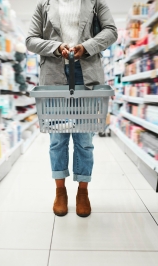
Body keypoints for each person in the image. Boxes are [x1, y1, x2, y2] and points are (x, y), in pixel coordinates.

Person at [26, 0, 117, 217]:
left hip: (86, 74)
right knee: (57, 139)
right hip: (54, 75)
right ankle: (60, 191)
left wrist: (86, 46)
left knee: (84, 140)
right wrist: (56, 47)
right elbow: (31, 40)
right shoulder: (44, 5)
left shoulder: (95, 3)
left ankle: (83, 191)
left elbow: (111, 31)